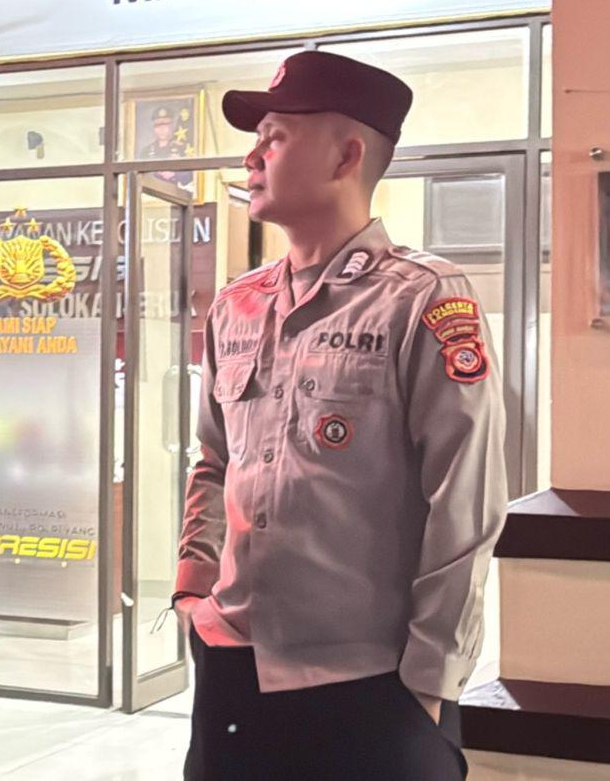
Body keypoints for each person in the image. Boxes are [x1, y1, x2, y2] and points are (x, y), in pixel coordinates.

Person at [173, 52, 507, 780]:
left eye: (274, 137)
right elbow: (213, 459)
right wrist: (193, 589)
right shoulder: (235, 305)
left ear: (346, 155)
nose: (251, 156)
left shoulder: (422, 299)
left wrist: (430, 681)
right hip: (232, 666)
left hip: (369, 683)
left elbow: (466, 500)